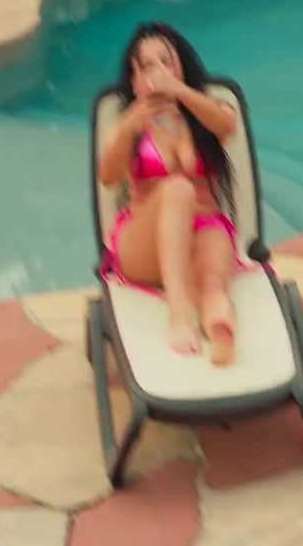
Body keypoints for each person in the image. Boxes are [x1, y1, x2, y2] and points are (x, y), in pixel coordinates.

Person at [97, 22, 245, 364]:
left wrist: (180, 92)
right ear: (134, 80)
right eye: (148, 66)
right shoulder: (126, 125)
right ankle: (181, 314)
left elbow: (227, 126)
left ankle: (219, 325)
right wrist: (129, 128)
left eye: (167, 62)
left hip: (204, 231)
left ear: (183, 68)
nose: (159, 72)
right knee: (177, 189)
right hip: (144, 244)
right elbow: (107, 178)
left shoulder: (206, 111)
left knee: (212, 283)